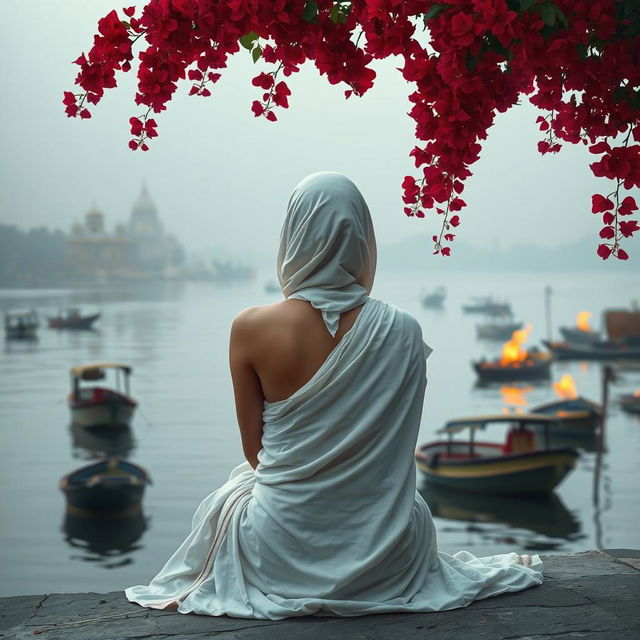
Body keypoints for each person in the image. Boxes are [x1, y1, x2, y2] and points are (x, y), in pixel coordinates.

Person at [125, 171, 542, 619]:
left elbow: (256, 454)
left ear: (293, 236)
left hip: (277, 552)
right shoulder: (403, 330)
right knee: (412, 505)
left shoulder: (249, 328)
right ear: (364, 238)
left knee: (234, 494)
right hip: (390, 556)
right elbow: (393, 461)